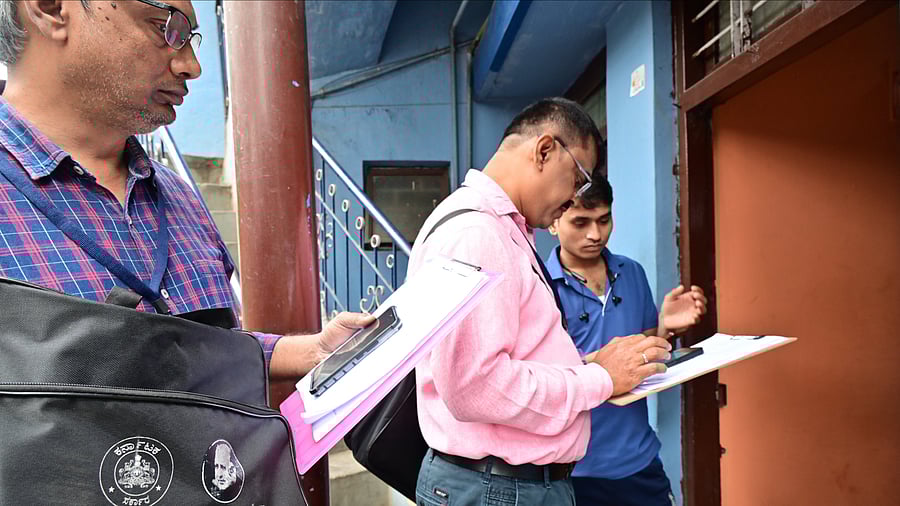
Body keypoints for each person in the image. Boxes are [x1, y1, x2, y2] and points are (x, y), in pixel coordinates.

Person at [0, 1, 369, 382]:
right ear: (51, 8)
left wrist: (313, 350)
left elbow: (200, 348)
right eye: (165, 27)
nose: (191, 66)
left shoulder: (177, 194)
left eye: (190, 37)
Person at [408, 97, 674, 506]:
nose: (573, 199)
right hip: (500, 488)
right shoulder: (477, 233)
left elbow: (509, 360)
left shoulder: (497, 228)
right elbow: (474, 386)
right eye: (578, 179)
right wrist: (600, 380)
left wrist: (591, 365)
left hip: (505, 485)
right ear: (545, 150)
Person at [547, 176, 707, 505]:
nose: (595, 234)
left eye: (604, 220)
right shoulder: (541, 288)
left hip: (639, 461)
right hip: (573, 471)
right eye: (581, 222)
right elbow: (541, 378)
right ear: (553, 223)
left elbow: (646, 353)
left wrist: (665, 327)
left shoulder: (631, 272)